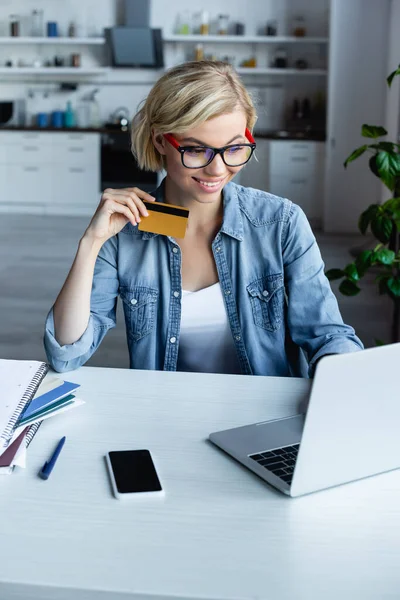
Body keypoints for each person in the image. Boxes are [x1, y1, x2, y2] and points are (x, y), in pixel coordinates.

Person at [44, 60, 363, 376]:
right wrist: (91, 243)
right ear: (160, 141)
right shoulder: (126, 232)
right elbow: (67, 353)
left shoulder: (281, 223)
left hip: (265, 413)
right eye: (197, 150)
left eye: (235, 147)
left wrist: (347, 379)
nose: (218, 169)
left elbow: (327, 334)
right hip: (168, 414)